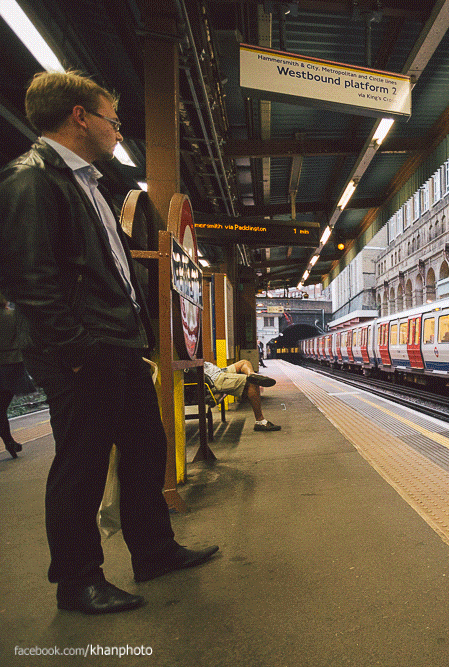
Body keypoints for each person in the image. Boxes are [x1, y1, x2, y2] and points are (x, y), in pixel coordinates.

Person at [0, 71, 217, 614]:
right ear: (80, 117)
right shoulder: (32, 181)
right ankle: (77, 581)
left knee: (146, 448)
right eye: (112, 120)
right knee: (82, 463)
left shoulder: (87, 184)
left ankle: (154, 552)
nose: (118, 132)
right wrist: (73, 354)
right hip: (83, 353)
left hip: (115, 346)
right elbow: (31, 280)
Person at [203, 359, 280, 431]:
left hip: (219, 371)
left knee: (244, 362)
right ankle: (260, 421)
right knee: (252, 383)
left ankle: (252, 375)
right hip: (215, 379)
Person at [0, 295, 32, 459]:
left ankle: (9, 442)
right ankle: (10, 442)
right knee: (2, 407)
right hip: (13, 365)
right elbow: (25, 338)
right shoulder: (12, 316)